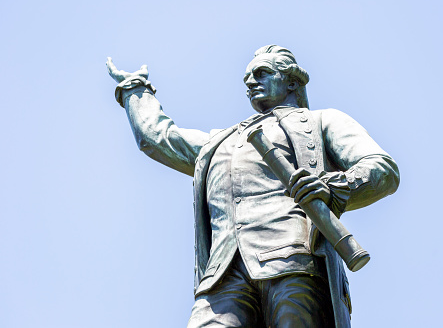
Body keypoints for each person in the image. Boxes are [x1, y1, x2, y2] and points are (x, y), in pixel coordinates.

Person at [106, 45, 399, 327]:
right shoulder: (219, 142)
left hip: (294, 260)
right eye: (247, 77)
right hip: (222, 274)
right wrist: (134, 88)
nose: (250, 81)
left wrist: (334, 186)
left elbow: (381, 168)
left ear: (293, 82)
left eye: (261, 73)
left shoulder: (321, 121)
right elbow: (158, 139)